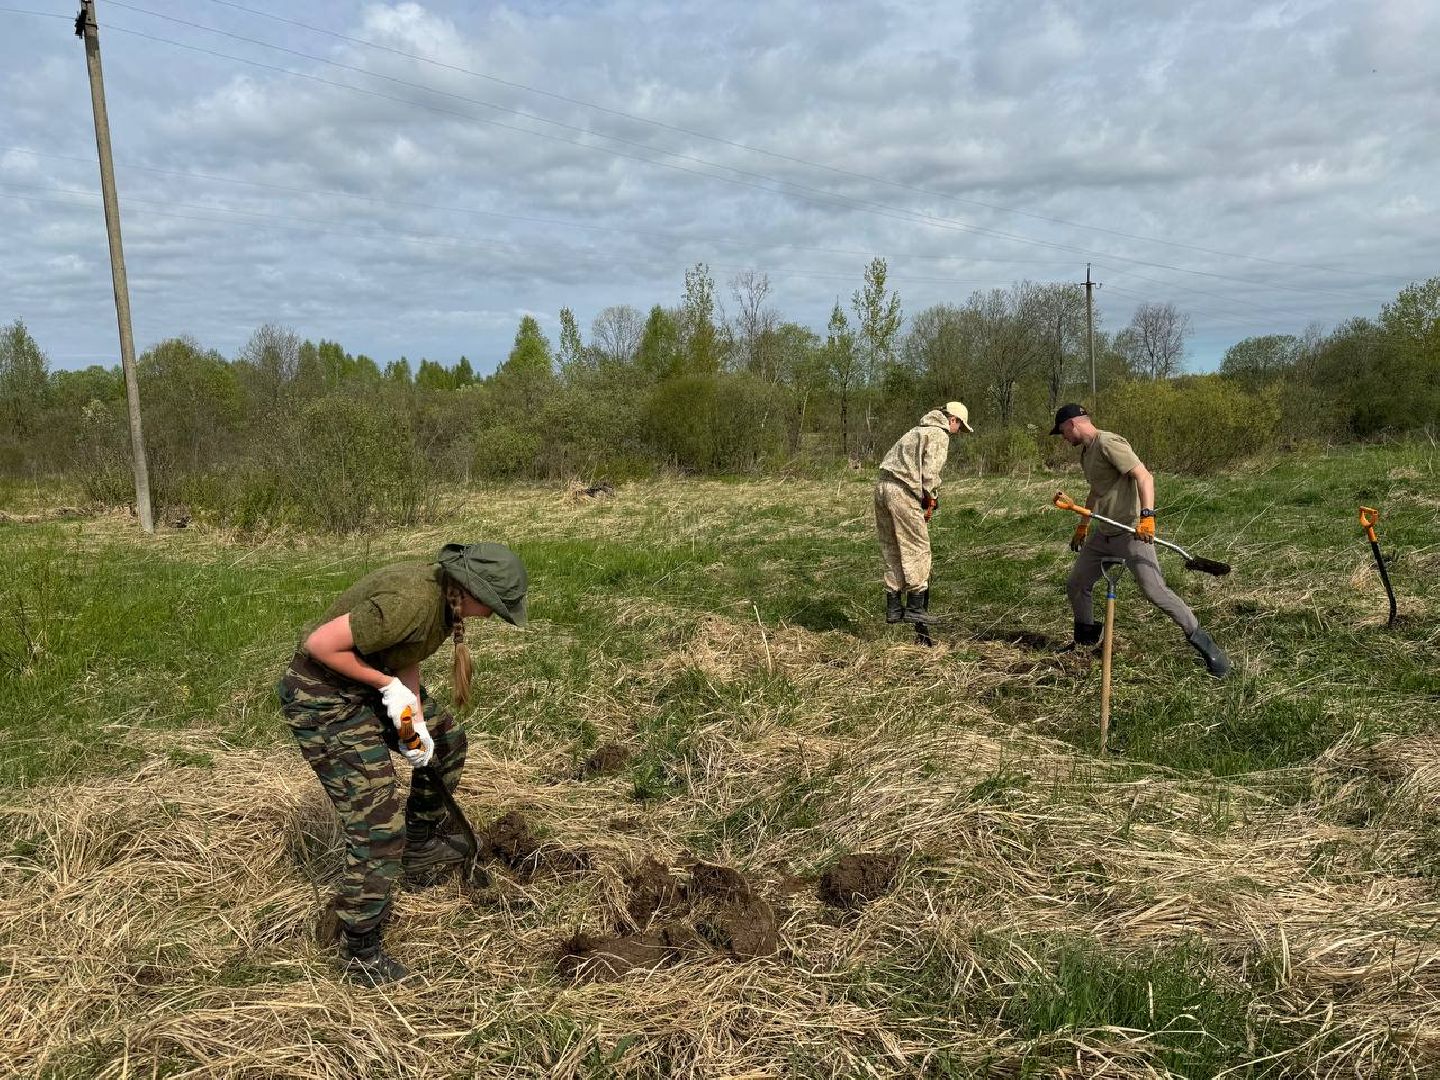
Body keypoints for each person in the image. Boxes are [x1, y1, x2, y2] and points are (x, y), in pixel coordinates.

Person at [275, 542, 528, 985]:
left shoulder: (446, 603)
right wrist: (386, 688)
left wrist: (412, 719)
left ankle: (420, 844)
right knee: (378, 827)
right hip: (323, 697)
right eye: (495, 608)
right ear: (474, 592)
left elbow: (406, 653)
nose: (494, 617)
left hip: (365, 686)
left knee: (446, 743)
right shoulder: (412, 601)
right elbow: (319, 646)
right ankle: (360, 947)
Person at [1049, 403, 1229, 677]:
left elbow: (1144, 476)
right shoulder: (1086, 453)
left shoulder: (1109, 443)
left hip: (1131, 532)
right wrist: (1083, 525)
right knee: (1077, 584)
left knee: (1155, 591)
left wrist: (1147, 517)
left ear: (1073, 424)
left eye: (1063, 431)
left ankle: (1210, 649)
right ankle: (1085, 644)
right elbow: (1096, 492)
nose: (1064, 438)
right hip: (1104, 533)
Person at [874, 401, 974, 625]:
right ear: (952, 420)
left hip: (882, 488)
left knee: (892, 547)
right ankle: (915, 607)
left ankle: (893, 607)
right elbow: (929, 474)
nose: (959, 432)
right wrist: (932, 496)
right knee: (918, 549)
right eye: (960, 427)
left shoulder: (915, 431)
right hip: (903, 493)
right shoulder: (938, 434)